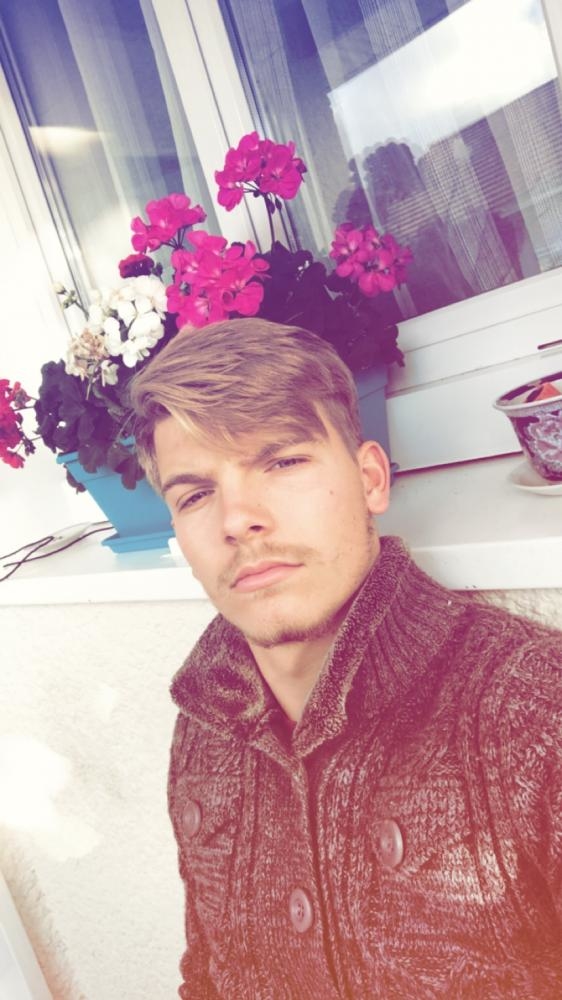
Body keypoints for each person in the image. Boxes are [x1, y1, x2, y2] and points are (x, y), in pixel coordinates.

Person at [129, 318, 561, 1000]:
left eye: (283, 462)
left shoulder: (533, 710)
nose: (237, 519)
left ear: (370, 479)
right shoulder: (205, 725)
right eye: (196, 494)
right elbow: (208, 975)